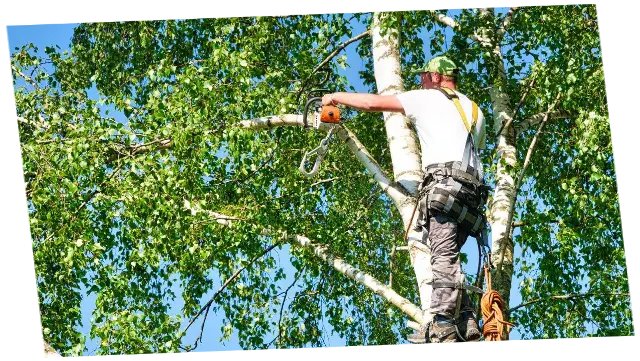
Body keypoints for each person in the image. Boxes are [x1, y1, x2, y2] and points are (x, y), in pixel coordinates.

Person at [321, 56, 487, 344]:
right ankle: (466, 318)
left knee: (442, 256)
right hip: (472, 197)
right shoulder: (475, 110)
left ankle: (444, 324)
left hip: (444, 191)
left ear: (436, 77)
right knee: (449, 257)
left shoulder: (429, 98)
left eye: (424, 77)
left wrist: (335, 97)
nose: (420, 81)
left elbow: (373, 103)